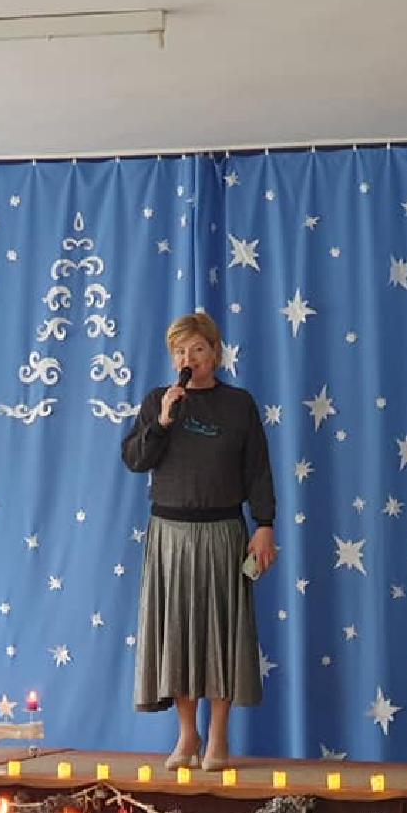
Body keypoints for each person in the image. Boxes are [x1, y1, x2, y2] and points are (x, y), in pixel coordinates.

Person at [121, 312, 277, 772]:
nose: (188, 358)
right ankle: (188, 734)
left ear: (216, 353)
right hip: (170, 535)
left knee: (221, 636)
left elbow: (258, 470)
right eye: (179, 352)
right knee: (178, 635)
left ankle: (219, 735)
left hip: (224, 532)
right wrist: (162, 422)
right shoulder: (159, 402)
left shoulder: (238, 404)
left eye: (197, 349)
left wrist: (264, 524)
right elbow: (135, 460)